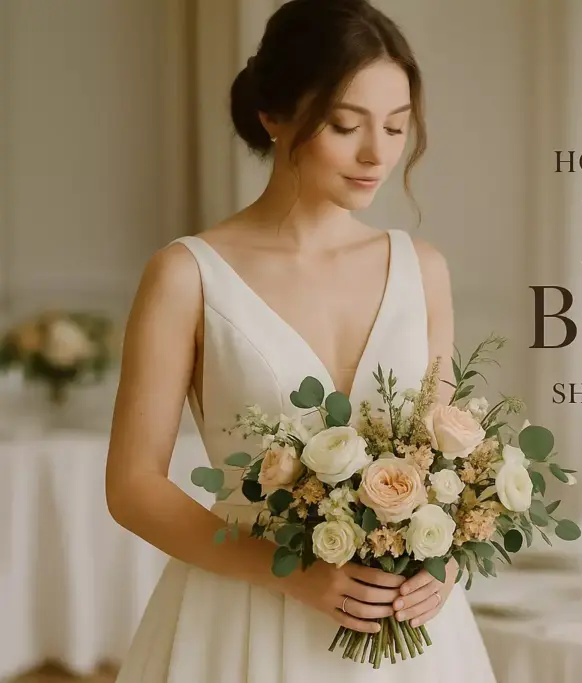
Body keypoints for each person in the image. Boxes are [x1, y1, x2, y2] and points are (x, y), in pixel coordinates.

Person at [104, 1, 497, 680]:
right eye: (347, 125)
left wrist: (447, 556)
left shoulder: (422, 268)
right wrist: (290, 573)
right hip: (242, 619)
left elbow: (442, 459)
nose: (378, 152)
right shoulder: (187, 275)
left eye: (396, 126)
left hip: (410, 634)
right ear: (274, 115)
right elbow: (133, 486)